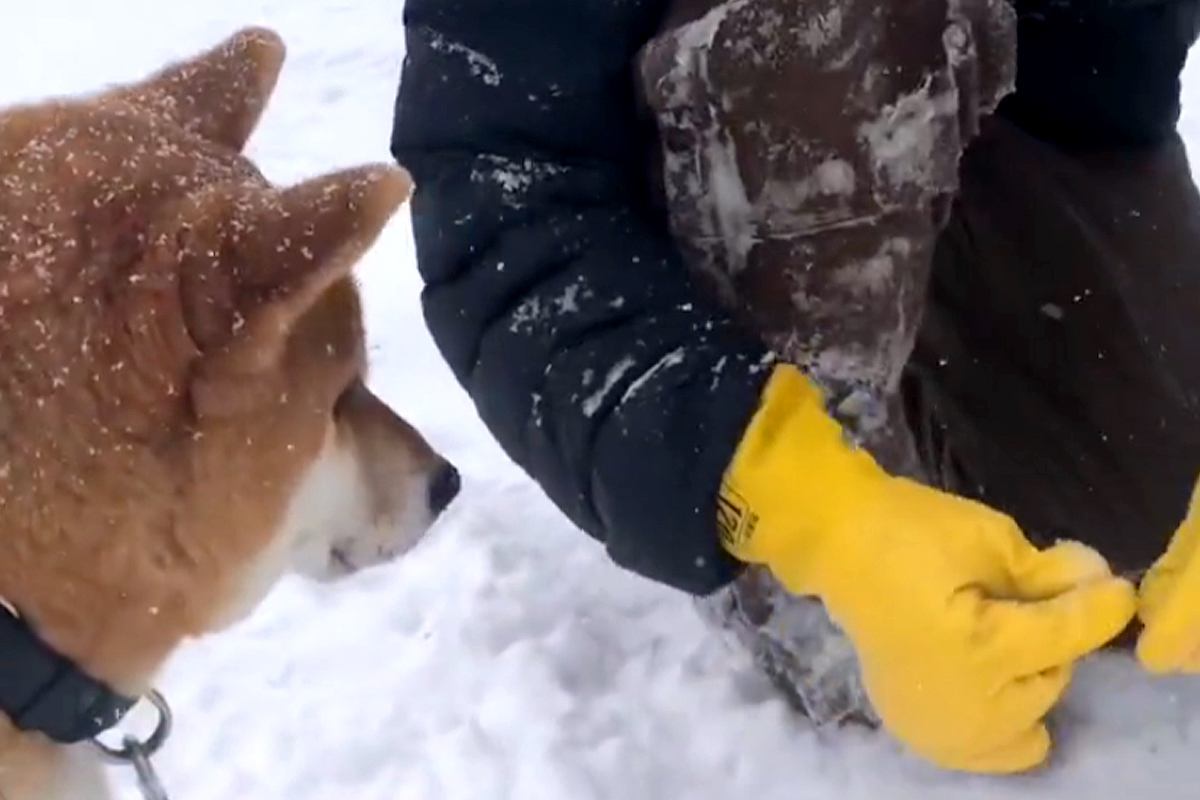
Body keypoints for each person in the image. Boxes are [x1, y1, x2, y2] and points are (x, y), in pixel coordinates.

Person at [392, 0, 1200, 774]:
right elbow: (503, 200)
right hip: (743, 161)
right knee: (825, 23)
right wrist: (801, 502)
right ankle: (827, 545)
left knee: (1143, 530)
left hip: (1036, 121)